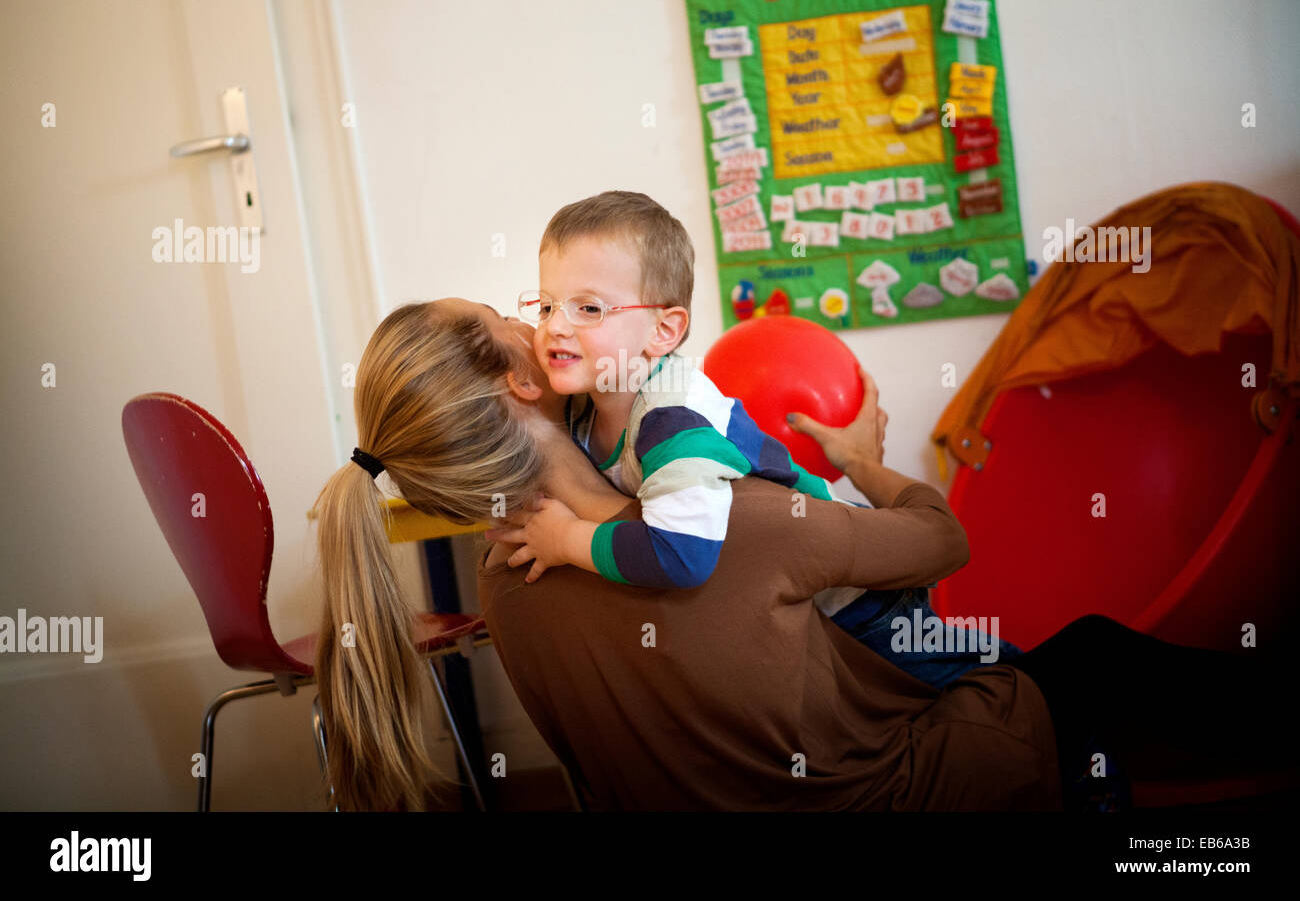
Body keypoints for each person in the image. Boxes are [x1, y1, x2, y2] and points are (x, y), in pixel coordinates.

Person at [312, 298, 1293, 810]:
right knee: (1086, 659)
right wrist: (864, 462)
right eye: (515, 319)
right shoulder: (717, 519)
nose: (547, 327)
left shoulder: (507, 582)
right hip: (893, 793)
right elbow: (941, 539)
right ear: (518, 382)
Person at [512, 190, 1015, 687]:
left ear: (663, 331)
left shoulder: (673, 416)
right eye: (548, 305)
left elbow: (682, 555)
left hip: (860, 601)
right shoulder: (581, 410)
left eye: (589, 309)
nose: (555, 326)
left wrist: (567, 540)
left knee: (983, 677)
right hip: (793, 606)